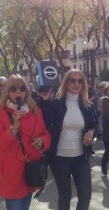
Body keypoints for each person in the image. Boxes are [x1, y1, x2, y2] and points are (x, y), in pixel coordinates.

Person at [0, 74, 51, 210]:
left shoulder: (36, 111)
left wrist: (42, 140)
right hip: (11, 172)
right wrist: (13, 128)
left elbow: (46, 134)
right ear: (7, 92)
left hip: (31, 169)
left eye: (22, 88)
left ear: (27, 92)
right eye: (13, 88)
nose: (18, 91)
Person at [38, 69, 95, 210]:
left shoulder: (87, 105)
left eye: (80, 81)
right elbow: (45, 124)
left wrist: (91, 131)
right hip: (60, 158)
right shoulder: (56, 103)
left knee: (85, 195)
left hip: (81, 157)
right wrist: (45, 103)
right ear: (66, 83)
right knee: (65, 197)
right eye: (73, 80)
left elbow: (93, 124)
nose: (76, 84)